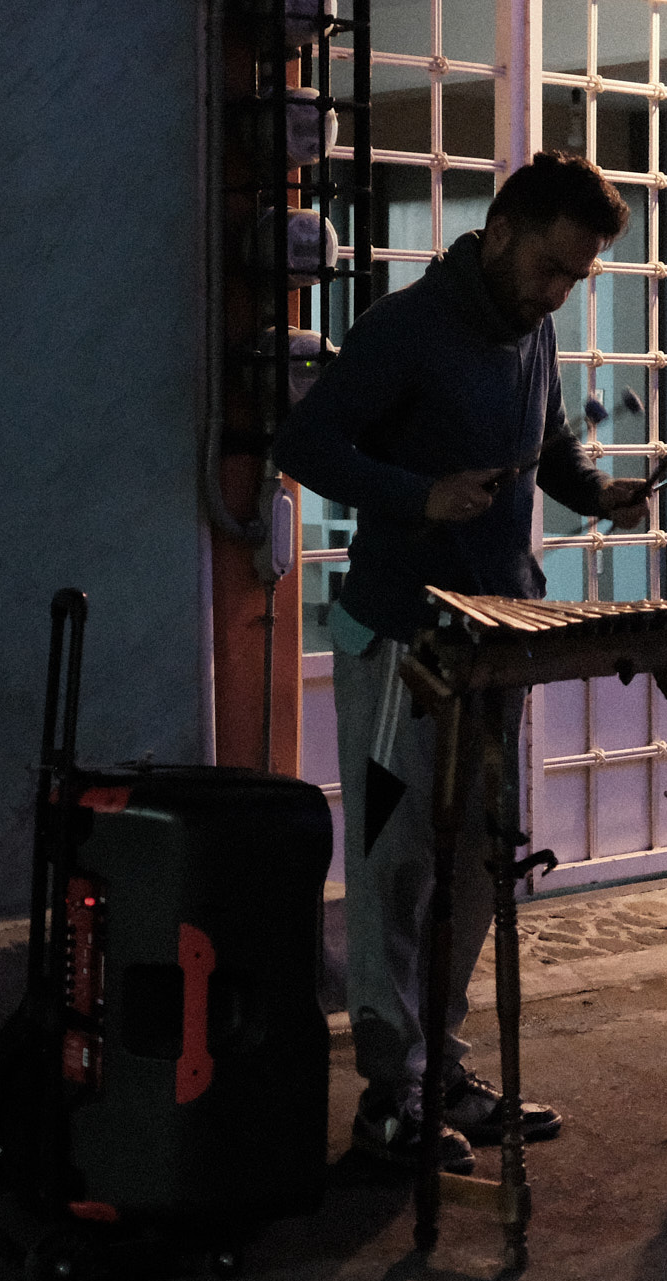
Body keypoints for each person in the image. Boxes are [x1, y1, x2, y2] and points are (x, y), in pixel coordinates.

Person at [274, 151, 645, 1174]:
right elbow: (304, 443)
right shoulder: (404, 327)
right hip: (402, 637)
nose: (560, 292)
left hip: (495, 633)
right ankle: (387, 1098)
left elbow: (551, 449)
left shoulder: (531, 332)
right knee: (397, 865)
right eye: (552, 270)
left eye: (576, 278)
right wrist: (415, 496)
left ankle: (441, 1067)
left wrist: (598, 494)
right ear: (503, 233)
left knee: (478, 862)